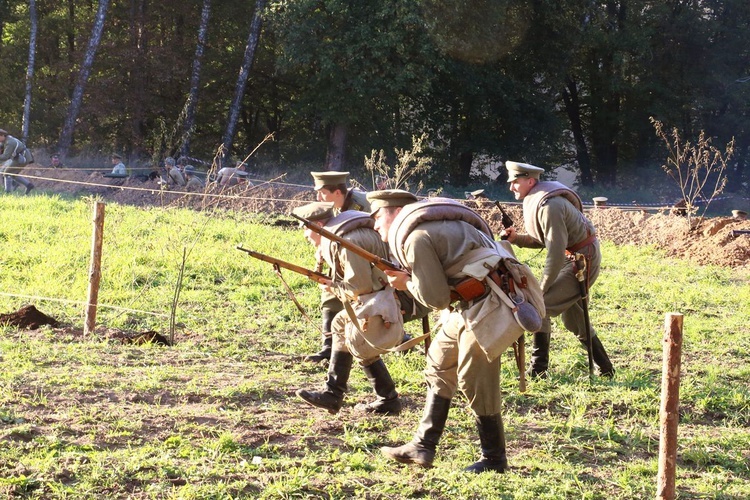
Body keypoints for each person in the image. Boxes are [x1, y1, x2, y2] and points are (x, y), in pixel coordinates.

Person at [372, 190, 544, 473]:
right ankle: (423, 446)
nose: (376, 226)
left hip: (491, 304)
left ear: (393, 212)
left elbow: (436, 299)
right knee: (439, 362)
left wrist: (406, 284)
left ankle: (494, 459)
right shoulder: (438, 224)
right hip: (474, 301)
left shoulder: (416, 238)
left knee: (475, 378)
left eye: (378, 217)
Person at [293, 202, 428, 415]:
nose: (304, 235)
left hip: (402, 299)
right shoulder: (347, 233)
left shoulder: (347, 241)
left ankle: (383, 400)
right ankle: (335, 394)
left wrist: (331, 286)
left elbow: (360, 287)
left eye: (305, 229)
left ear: (318, 225)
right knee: (341, 322)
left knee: (357, 333)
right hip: (390, 295)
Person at [501, 161, 614, 378]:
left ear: (530, 181)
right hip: (572, 257)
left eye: (515, 182)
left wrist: (540, 290)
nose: (511, 187)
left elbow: (553, 253)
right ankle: (606, 368)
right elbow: (543, 240)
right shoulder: (542, 200)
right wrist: (516, 239)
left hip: (582, 261)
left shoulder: (550, 206)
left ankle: (538, 370)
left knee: (539, 308)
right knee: (575, 320)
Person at [304, 171, 372, 363]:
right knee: (329, 287)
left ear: (337, 193)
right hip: (345, 253)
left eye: (322, 193)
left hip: (371, 255)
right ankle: (328, 345)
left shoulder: (364, 204)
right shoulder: (331, 207)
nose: (318, 198)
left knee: (362, 291)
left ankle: (396, 335)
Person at [0, 129, 34, 194]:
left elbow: (5, 157)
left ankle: (7, 192)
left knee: (7, 173)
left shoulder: (9, 143)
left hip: (23, 157)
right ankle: (28, 185)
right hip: (19, 157)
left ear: (2, 135)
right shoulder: (7, 139)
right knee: (13, 173)